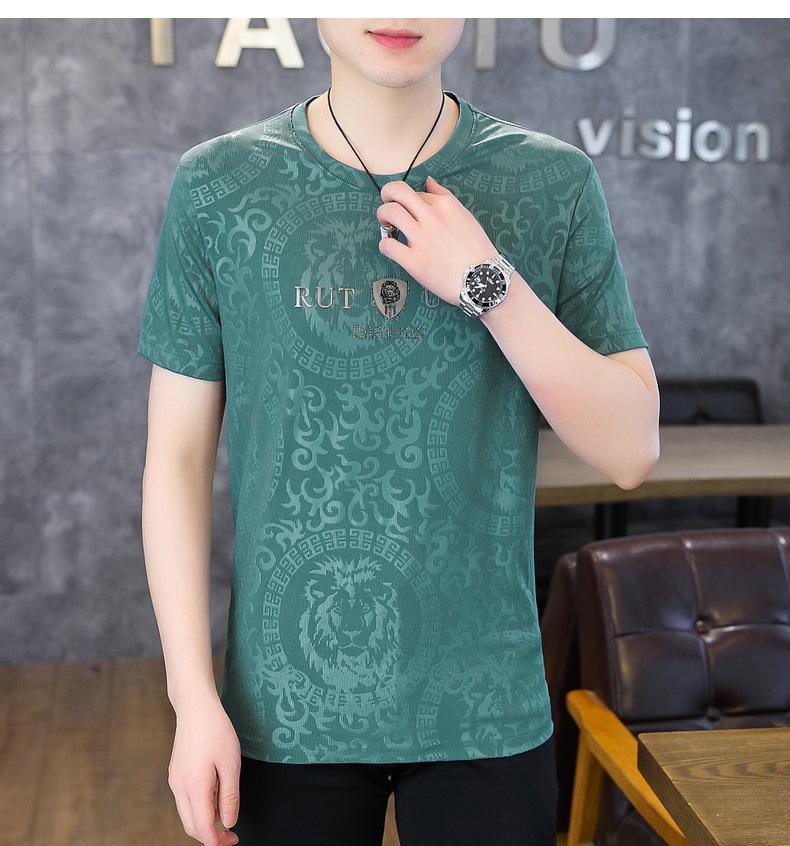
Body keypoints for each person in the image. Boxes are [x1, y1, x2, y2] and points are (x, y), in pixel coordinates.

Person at [137, 18, 660, 846]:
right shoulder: (219, 184)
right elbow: (176, 460)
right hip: (283, 706)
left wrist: (486, 282)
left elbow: (631, 449)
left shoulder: (550, 181)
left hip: (483, 700)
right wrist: (191, 698)